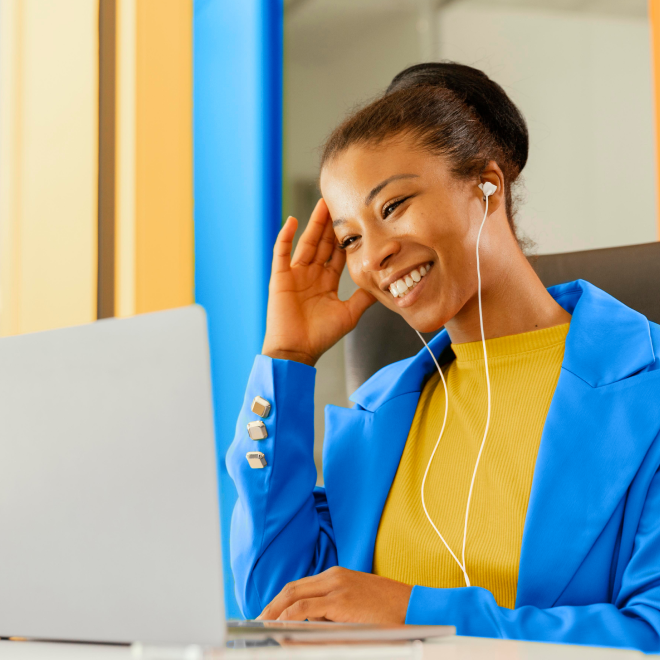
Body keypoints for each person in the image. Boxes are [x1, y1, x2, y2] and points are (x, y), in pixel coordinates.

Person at [226, 62, 660, 652]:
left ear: (487, 186)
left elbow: (650, 634)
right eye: (351, 238)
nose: (374, 255)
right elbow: (280, 608)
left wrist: (412, 611)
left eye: (394, 206)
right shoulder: (380, 416)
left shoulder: (645, 390)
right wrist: (286, 360)